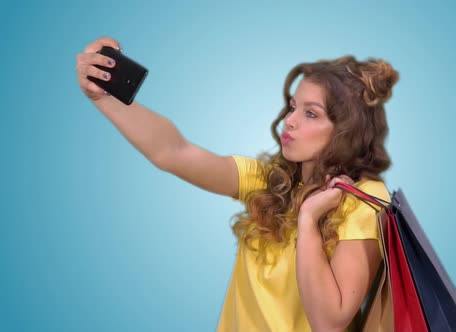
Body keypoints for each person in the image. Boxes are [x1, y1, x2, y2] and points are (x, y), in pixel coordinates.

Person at [75, 36, 400, 332]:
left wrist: (308, 219)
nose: (290, 120)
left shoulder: (364, 198)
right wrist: (104, 99)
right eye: (293, 107)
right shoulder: (267, 182)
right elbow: (173, 152)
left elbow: (329, 322)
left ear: (348, 130)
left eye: (311, 114)